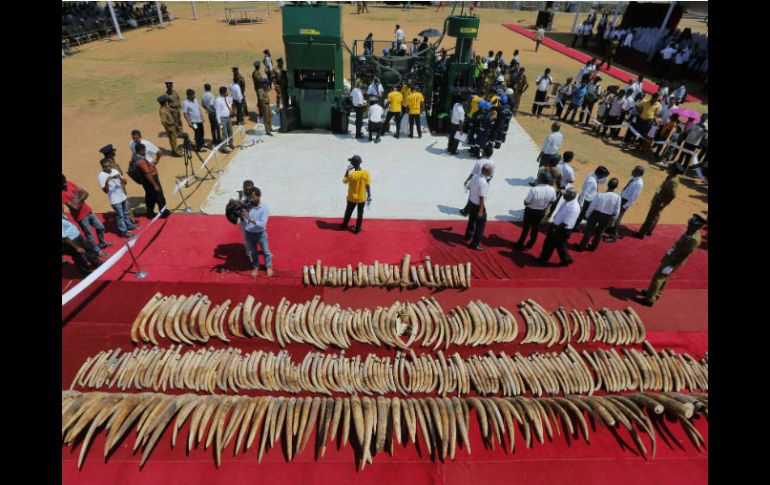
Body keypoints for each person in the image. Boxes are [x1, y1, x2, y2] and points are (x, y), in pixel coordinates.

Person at [636, 214, 706, 306]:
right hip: (671, 257)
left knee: (658, 278)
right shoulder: (691, 231)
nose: (688, 225)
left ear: (697, 226)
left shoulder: (694, 239)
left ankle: (649, 299)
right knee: (664, 277)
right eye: (690, 223)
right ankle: (654, 293)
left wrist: (671, 265)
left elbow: (684, 254)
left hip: (673, 260)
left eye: (691, 224)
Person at [62, 174, 112, 257]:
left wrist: (78, 201)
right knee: (89, 235)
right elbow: (75, 207)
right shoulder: (62, 194)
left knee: (101, 227)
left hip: (88, 210)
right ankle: (97, 251)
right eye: (63, 183)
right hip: (80, 217)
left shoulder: (69, 183)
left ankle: (102, 243)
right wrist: (82, 198)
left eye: (65, 181)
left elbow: (86, 193)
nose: (65, 184)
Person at [635, 163, 684, 239]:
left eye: (670, 168)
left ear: (674, 170)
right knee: (655, 215)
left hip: (660, 200)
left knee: (650, 216)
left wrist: (664, 203)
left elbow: (673, 194)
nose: (668, 168)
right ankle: (649, 231)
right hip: (660, 199)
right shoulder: (671, 177)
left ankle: (641, 233)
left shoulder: (672, 181)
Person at [536, 187, 580, 266]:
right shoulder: (567, 201)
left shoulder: (574, 207)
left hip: (561, 229)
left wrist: (553, 228)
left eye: (565, 194)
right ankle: (566, 259)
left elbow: (566, 223)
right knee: (560, 245)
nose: (563, 196)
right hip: (559, 227)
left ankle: (543, 260)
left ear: (571, 196)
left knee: (550, 244)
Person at [576, 177, 621, 252]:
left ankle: (581, 246)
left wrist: (587, 214)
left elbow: (592, 206)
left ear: (608, 185)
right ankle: (593, 247)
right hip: (607, 217)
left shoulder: (599, 195)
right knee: (600, 233)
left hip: (595, 214)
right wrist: (614, 218)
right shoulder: (618, 197)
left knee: (588, 231)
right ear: (616, 187)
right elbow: (617, 210)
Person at [515, 172, 557, 251]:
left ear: (540, 179)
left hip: (530, 211)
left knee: (526, 228)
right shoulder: (552, 190)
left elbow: (526, 202)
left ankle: (520, 244)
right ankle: (530, 244)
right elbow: (553, 201)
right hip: (541, 211)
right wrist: (545, 205)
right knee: (535, 229)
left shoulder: (535, 189)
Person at [98, 158, 137, 238]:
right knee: (120, 216)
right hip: (115, 200)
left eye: (109, 166)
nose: (108, 168)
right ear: (102, 167)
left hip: (122, 196)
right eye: (106, 167)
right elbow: (105, 191)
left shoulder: (115, 171)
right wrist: (106, 182)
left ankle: (129, 225)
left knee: (126, 213)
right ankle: (124, 232)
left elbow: (125, 183)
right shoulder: (101, 176)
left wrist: (120, 178)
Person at [604, 166, 644, 243]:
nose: (632, 171)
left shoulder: (638, 183)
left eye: (634, 170)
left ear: (639, 173)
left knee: (617, 218)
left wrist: (625, 206)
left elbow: (634, 197)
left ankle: (613, 236)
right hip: (622, 198)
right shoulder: (634, 180)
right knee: (613, 214)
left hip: (625, 201)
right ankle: (610, 229)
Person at [241, 187, 273, 278]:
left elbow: (262, 224)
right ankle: (255, 267)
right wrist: (242, 214)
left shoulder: (264, 208)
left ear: (259, 196)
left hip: (260, 234)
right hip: (249, 233)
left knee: (266, 251)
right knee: (253, 252)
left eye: (254, 197)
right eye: (251, 197)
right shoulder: (248, 206)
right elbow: (244, 219)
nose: (252, 199)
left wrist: (249, 218)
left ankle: (269, 266)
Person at [133, 143, 170, 219]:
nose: (145, 151)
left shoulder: (138, 157)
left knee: (150, 196)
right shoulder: (141, 161)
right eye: (143, 150)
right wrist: (155, 185)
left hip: (147, 181)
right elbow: (147, 173)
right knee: (159, 196)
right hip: (151, 180)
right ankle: (163, 213)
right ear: (138, 151)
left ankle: (150, 213)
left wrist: (152, 164)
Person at [62, 211, 103, 276]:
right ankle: (86, 273)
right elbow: (64, 237)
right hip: (72, 240)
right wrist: (77, 247)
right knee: (78, 257)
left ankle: (97, 263)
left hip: (77, 236)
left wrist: (73, 227)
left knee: (89, 249)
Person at [340, 155, 371, 234]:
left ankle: (344, 225)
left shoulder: (351, 175)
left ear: (353, 164)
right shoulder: (366, 173)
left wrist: (347, 171)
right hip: (362, 198)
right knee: (360, 214)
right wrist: (369, 195)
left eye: (351, 161)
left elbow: (344, 181)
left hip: (351, 198)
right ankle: (357, 229)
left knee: (348, 212)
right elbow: (367, 185)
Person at [464, 164, 492, 251]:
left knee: (471, 220)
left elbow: (468, 186)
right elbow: (482, 197)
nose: (491, 172)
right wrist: (480, 211)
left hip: (471, 202)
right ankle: (475, 243)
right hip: (478, 205)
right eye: (490, 171)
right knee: (480, 225)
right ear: (486, 171)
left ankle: (468, 236)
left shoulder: (475, 176)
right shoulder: (483, 182)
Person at [574, 165, 610, 229]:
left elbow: (603, 181)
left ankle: (575, 226)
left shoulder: (594, 175)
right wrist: (581, 204)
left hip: (588, 199)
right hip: (585, 200)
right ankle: (574, 227)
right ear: (599, 174)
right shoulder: (592, 181)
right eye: (603, 176)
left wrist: (606, 175)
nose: (603, 177)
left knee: (582, 215)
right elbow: (584, 192)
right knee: (580, 215)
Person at [214, 86, 234, 153]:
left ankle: (231, 144)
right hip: (222, 119)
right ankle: (223, 147)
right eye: (226, 91)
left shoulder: (227, 98)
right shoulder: (218, 100)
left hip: (228, 118)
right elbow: (217, 112)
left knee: (230, 131)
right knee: (224, 133)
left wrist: (231, 109)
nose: (227, 92)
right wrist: (219, 122)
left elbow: (230, 103)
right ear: (223, 93)